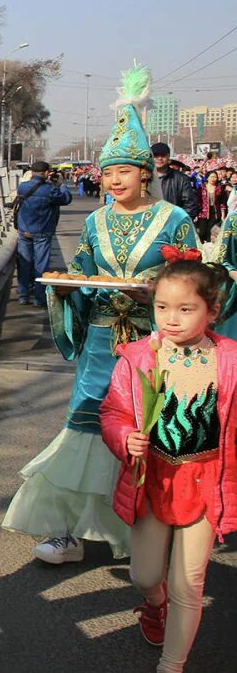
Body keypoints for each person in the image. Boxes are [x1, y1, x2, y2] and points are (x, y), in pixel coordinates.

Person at [3, 64, 199, 564]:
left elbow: (194, 280)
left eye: (124, 171)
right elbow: (85, 270)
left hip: (156, 343)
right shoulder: (94, 220)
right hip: (99, 341)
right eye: (109, 172)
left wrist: (156, 294)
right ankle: (70, 530)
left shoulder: (173, 220)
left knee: (149, 434)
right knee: (87, 426)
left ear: (146, 174)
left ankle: (145, 532)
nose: (114, 180)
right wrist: (66, 290)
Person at [101, 258, 237, 672]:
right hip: (152, 479)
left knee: (188, 584)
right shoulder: (139, 356)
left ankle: (171, 664)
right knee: (144, 575)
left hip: (206, 481)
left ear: (212, 310)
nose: (171, 319)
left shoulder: (230, 359)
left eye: (185, 309)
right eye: (161, 307)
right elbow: (113, 412)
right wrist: (126, 437)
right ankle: (152, 605)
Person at [14, 160, 72, 307]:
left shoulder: (22, 187)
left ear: (32, 172)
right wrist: (61, 184)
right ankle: (39, 298)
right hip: (42, 233)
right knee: (41, 266)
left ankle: (23, 295)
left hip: (24, 231)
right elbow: (66, 199)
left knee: (24, 264)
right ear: (46, 173)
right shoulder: (50, 190)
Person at [150, 143, 198, 219]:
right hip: (147, 223)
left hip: (171, 224)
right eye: (156, 155)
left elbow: (190, 206)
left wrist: (177, 223)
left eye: (163, 155)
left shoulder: (181, 179)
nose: (159, 158)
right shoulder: (143, 177)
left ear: (168, 157)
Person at [196, 169, 227, 242]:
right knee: (202, 231)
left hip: (215, 212)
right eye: (211, 177)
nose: (213, 179)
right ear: (207, 178)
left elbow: (222, 202)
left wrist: (223, 215)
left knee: (211, 231)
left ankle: (210, 246)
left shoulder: (219, 188)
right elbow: (198, 201)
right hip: (203, 212)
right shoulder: (202, 188)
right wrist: (196, 213)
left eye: (215, 177)